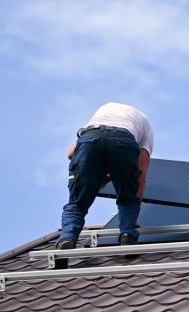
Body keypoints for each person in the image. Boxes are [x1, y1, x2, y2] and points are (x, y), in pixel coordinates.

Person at [54, 102, 154, 269]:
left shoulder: (103, 110)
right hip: (124, 142)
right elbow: (141, 175)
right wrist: (132, 217)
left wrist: (96, 178)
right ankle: (127, 236)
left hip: (90, 139)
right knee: (128, 199)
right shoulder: (147, 128)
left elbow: (71, 154)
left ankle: (67, 239)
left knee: (77, 204)